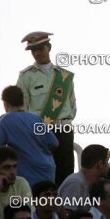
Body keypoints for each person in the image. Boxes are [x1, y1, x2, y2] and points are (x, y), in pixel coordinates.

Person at [17, 31, 77, 185]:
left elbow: (72, 108)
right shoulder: (26, 77)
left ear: (49, 47)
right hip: (39, 132)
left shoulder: (64, 76)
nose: (37, 53)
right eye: (33, 50)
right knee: (42, 177)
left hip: (63, 131)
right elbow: (20, 109)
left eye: (40, 48)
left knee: (65, 176)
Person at [0, 85, 58, 186]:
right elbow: (54, 143)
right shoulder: (36, 118)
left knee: (28, 200)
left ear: (5, 103)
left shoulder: (6, 120)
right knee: (45, 199)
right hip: (48, 168)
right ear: (23, 102)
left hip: (28, 172)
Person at [58, 144, 109, 212]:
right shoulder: (75, 183)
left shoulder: (90, 183)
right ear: (100, 164)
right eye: (107, 161)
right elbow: (67, 216)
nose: (109, 166)